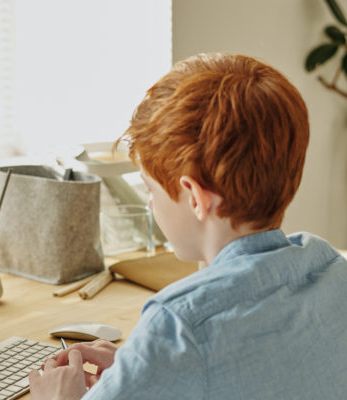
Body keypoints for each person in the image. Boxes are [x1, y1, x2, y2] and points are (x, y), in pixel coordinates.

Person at [29, 53, 347, 399]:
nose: (151, 203)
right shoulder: (330, 269)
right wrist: (142, 369)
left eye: (151, 189)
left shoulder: (179, 325)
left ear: (195, 196)